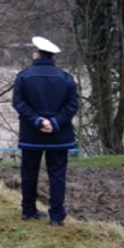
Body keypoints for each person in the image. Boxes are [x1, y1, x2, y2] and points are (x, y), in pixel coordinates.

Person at [12, 36, 79, 226]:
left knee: (29, 173)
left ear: (37, 54)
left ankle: (28, 210)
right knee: (57, 176)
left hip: (31, 135)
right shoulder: (66, 78)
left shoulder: (23, 76)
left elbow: (18, 103)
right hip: (59, 136)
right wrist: (55, 122)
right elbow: (73, 105)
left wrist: (36, 121)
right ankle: (57, 217)